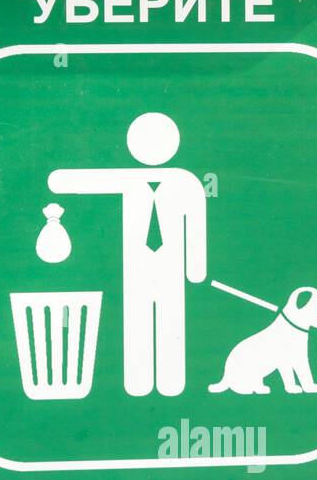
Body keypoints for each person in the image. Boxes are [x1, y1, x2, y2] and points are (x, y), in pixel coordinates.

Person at [47, 112, 207, 397]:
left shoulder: (186, 183)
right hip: (137, 268)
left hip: (171, 270)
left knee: (171, 321)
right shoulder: (128, 182)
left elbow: (195, 222)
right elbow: (63, 181)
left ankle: (172, 384)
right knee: (137, 321)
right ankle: (138, 383)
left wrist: (196, 270)